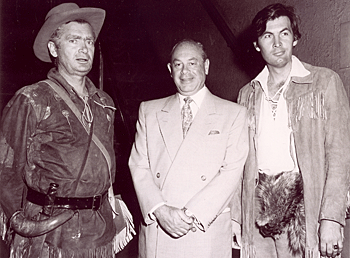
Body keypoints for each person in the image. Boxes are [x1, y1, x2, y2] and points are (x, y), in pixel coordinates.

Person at [0, 3, 124, 257]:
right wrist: (16, 216)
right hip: (50, 231)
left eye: (89, 41)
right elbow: (6, 168)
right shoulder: (33, 98)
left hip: (99, 229)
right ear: (54, 48)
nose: (84, 48)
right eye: (73, 40)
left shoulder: (105, 103)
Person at [235, 3, 350, 258]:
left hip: (305, 215)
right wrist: (237, 218)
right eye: (268, 35)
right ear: (257, 44)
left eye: (284, 33)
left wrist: (332, 218)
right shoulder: (247, 94)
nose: (277, 43)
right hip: (257, 215)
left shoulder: (324, 82)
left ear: (295, 38)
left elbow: (340, 156)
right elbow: (238, 162)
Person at [128, 39, 249, 258]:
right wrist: (160, 210)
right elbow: (138, 165)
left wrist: (190, 214)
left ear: (206, 66)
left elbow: (232, 171)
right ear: (169, 69)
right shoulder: (149, 111)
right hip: (159, 227)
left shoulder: (233, 113)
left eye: (192, 63)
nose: (185, 72)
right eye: (178, 64)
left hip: (204, 226)